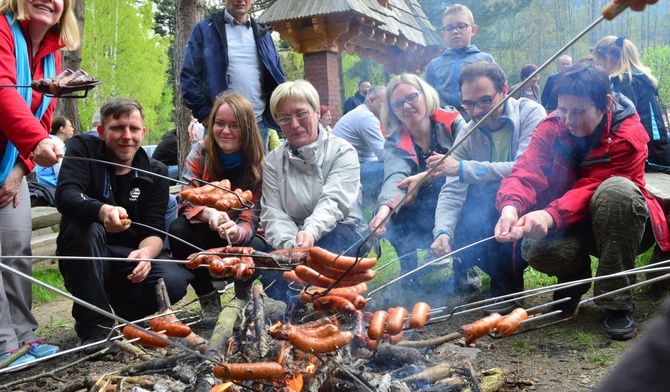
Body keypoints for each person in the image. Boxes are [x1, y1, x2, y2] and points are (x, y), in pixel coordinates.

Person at [494, 63, 670, 341]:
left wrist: (550, 215)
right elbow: (528, 168)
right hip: (573, 222)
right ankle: (573, 281)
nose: (569, 120)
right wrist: (510, 206)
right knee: (536, 247)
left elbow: (593, 186)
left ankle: (617, 300)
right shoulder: (553, 126)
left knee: (616, 191)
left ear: (605, 104)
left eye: (579, 112)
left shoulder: (628, 135)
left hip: (625, 225)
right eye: (563, 110)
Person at [56, 98, 191, 354]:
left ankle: (125, 315)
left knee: (174, 279)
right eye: (117, 128)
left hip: (125, 260)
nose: (126, 136)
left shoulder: (155, 171)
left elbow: (153, 230)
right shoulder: (83, 148)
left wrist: (145, 254)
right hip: (84, 252)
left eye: (134, 128)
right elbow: (66, 194)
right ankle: (95, 330)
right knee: (87, 228)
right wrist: (101, 211)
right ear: (101, 131)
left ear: (143, 132)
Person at [0, 0, 80, 369]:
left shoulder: (51, 54)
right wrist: (36, 143)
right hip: (21, 145)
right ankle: (3, 345)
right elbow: (2, 93)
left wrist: (18, 172)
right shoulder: (1, 29)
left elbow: (44, 113)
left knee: (16, 249)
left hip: (10, 164)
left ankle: (25, 337)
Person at [430, 62, 546, 310]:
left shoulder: (531, 114)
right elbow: (452, 190)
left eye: (484, 101)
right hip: (492, 210)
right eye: (468, 104)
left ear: (504, 90)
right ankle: (497, 276)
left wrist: (464, 168)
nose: (476, 111)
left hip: (533, 202)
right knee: (462, 219)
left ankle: (507, 286)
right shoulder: (468, 131)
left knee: (494, 194)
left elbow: (525, 168)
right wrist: (442, 232)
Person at [169, 93, 266, 326]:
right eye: (220, 124)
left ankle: (242, 296)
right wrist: (209, 213)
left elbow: (252, 216)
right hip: (204, 229)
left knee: (260, 249)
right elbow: (185, 198)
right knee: (178, 229)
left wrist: (236, 232)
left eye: (235, 125)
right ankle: (208, 298)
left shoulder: (258, 163)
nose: (225, 131)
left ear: (247, 129)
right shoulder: (200, 151)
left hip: (242, 234)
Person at [368, 74, 466, 275]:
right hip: (422, 205)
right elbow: (395, 175)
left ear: (425, 95)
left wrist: (425, 178)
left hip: (456, 195)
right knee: (396, 208)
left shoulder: (452, 122)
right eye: (397, 104)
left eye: (412, 97)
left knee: (466, 202)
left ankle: (463, 267)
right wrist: (383, 211)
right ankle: (409, 270)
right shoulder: (395, 139)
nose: (406, 107)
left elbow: (463, 162)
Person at [261, 80, 368, 255]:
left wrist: (311, 231)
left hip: (343, 231)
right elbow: (273, 213)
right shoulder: (273, 162)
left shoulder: (342, 151)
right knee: (274, 276)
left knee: (330, 244)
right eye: (285, 118)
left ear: (317, 112)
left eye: (301, 114)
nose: (294, 124)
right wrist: (291, 247)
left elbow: (334, 200)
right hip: (294, 239)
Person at [180, 0, 285, 152]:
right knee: (217, 174)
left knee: (257, 175)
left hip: (258, 124)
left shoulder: (263, 35)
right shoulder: (205, 30)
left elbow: (277, 76)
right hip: (221, 126)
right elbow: (189, 75)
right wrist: (205, 114)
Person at [593, 36, 670, 173]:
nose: (598, 67)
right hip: (656, 149)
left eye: (598, 63)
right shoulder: (638, 78)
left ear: (607, 58)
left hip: (646, 153)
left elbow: (620, 121)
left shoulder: (624, 81)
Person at [425, 4, 494, 121]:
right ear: (443, 35)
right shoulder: (434, 65)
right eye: (449, 28)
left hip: (476, 123)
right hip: (443, 127)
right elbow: (428, 99)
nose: (455, 31)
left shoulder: (486, 60)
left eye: (461, 26)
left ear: (473, 30)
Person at [332, 85, 387, 206]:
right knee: (393, 167)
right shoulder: (366, 117)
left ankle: (374, 205)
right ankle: (384, 208)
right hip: (346, 172)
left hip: (348, 169)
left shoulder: (363, 113)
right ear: (371, 101)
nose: (389, 109)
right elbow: (384, 155)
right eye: (385, 104)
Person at [35, 116, 75, 189]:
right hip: (53, 187)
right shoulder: (57, 144)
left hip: (43, 186)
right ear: (62, 129)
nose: (72, 129)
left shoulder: (48, 141)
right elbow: (60, 171)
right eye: (70, 126)